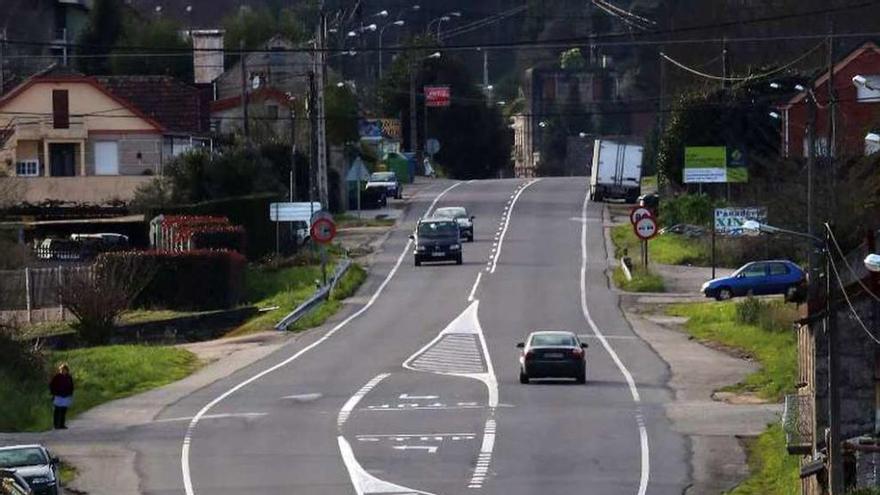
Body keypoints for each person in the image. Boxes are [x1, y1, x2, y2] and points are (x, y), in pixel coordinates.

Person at [49, 363, 74, 430]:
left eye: (64, 370)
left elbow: (71, 386)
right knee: (57, 410)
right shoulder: (57, 377)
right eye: (62, 370)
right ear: (60, 370)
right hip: (58, 395)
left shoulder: (69, 377)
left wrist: (70, 394)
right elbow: (52, 385)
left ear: (67, 370)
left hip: (66, 395)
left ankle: (62, 425)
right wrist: (53, 393)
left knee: (63, 410)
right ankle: (56, 425)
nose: (63, 371)